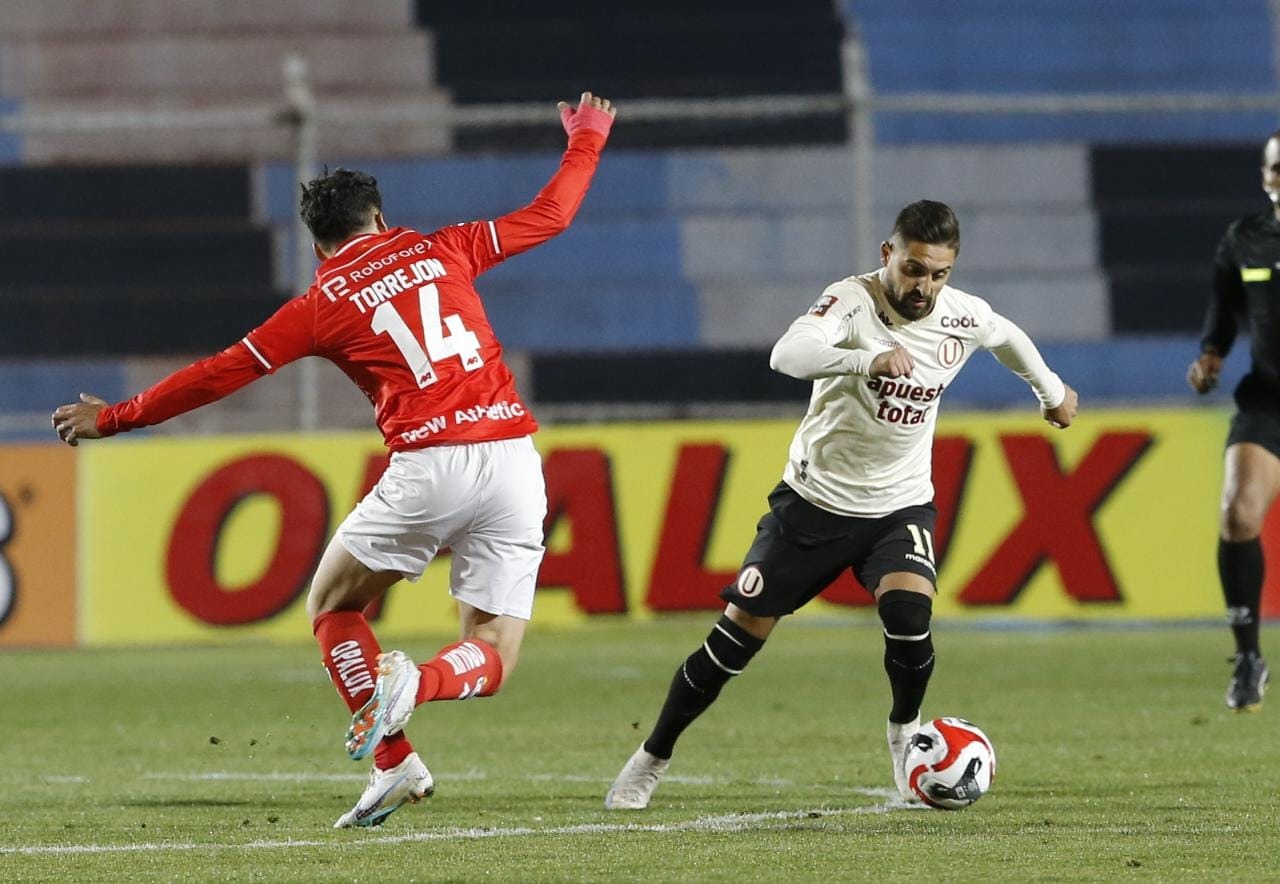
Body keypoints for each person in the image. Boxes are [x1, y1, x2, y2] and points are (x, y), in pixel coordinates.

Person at [53, 91, 617, 827]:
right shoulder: (446, 246)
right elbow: (552, 215)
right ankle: (408, 719)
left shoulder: (321, 302)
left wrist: (120, 417)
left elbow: (223, 370)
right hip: (513, 459)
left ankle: (395, 741)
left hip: (430, 463)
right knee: (492, 654)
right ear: (379, 218)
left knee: (332, 605)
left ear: (317, 244)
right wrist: (587, 138)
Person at [604, 199, 1078, 810]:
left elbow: (1005, 336)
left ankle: (905, 735)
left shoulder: (962, 316)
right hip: (814, 506)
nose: (924, 286)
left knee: (910, 616)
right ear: (888, 255)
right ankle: (653, 755)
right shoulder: (852, 303)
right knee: (734, 643)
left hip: (900, 506)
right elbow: (787, 355)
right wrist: (867, 358)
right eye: (913, 269)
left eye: (938, 274)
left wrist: (1049, 392)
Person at [1186, 130, 1280, 713]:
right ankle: (1248, 657)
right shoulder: (1245, 239)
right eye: (1278, 167)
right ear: (1266, 176)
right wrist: (1210, 358)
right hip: (1268, 402)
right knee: (1237, 513)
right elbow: (1222, 317)